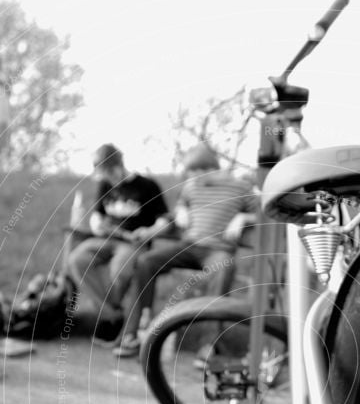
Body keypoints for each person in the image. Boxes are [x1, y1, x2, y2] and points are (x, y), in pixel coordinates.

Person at [113, 143, 257, 358]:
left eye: (198, 172)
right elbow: (182, 203)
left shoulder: (239, 187)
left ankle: (207, 346)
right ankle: (135, 330)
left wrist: (243, 217)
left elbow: (265, 212)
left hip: (217, 250)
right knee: (146, 262)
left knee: (223, 271)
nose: (194, 177)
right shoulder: (191, 187)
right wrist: (181, 210)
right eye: (191, 172)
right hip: (189, 246)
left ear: (212, 169)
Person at [65, 144, 171, 340]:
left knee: (119, 269)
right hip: (105, 239)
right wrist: (97, 225)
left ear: (118, 165)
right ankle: (112, 315)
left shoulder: (148, 186)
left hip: (133, 243)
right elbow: (97, 214)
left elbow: (165, 220)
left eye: (109, 172)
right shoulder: (105, 185)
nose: (108, 178)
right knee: (77, 260)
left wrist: (149, 231)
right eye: (104, 174)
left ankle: (108, 319)